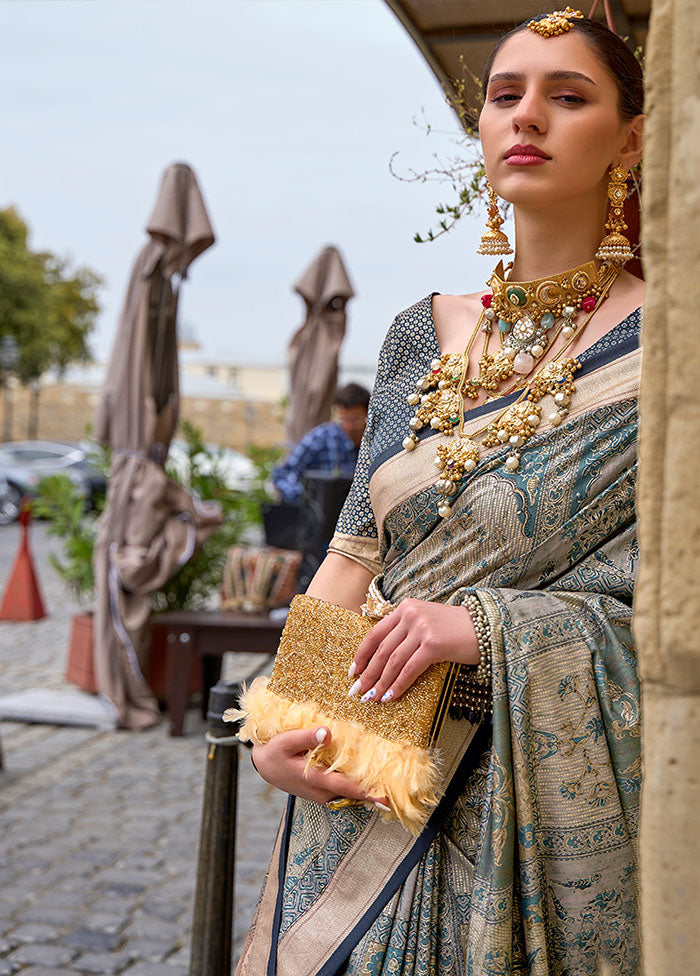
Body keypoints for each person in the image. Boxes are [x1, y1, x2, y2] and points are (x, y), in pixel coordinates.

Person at [239, 11, 644, 974]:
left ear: (630, 138)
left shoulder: (670, 346)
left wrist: (490, 628)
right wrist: (279, 720)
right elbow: (355, 547)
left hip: (533, 797)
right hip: (368, 765)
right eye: (506, 96)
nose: (527, 117)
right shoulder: (422, 330)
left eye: (568, 95)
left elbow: (671, 594)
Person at [270, 382, 370, 504]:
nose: (349, 426)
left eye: (355, 420)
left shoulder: (374, 444)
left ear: (369, 415)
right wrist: (308, 500)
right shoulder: (320, 438)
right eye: (343, 419)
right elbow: (283, 474)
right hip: (321, 518)